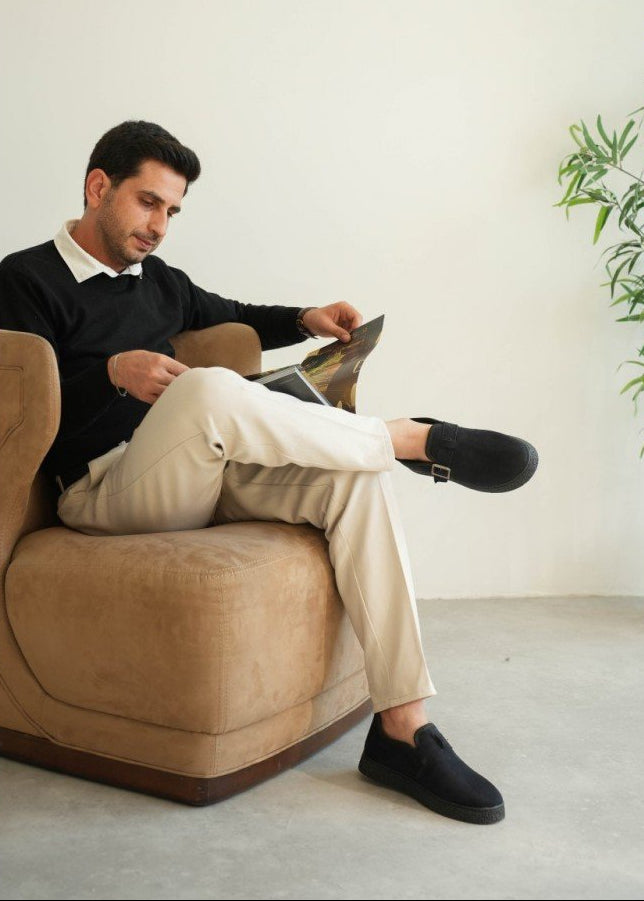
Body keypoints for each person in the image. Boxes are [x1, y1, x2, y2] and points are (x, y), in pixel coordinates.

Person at [0, 120, 537, 825]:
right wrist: (110, 372)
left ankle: (403, 727)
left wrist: (308, 317)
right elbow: (19, 396)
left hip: (192, 473)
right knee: (208, 387)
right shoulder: (23, 279)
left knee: (352, 480)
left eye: (173, 211)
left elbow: (232, 313)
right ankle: (409, 438)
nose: (160, 225)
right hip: (101, 491)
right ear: (99, 188)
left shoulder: (156, 281)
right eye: (148, 202)